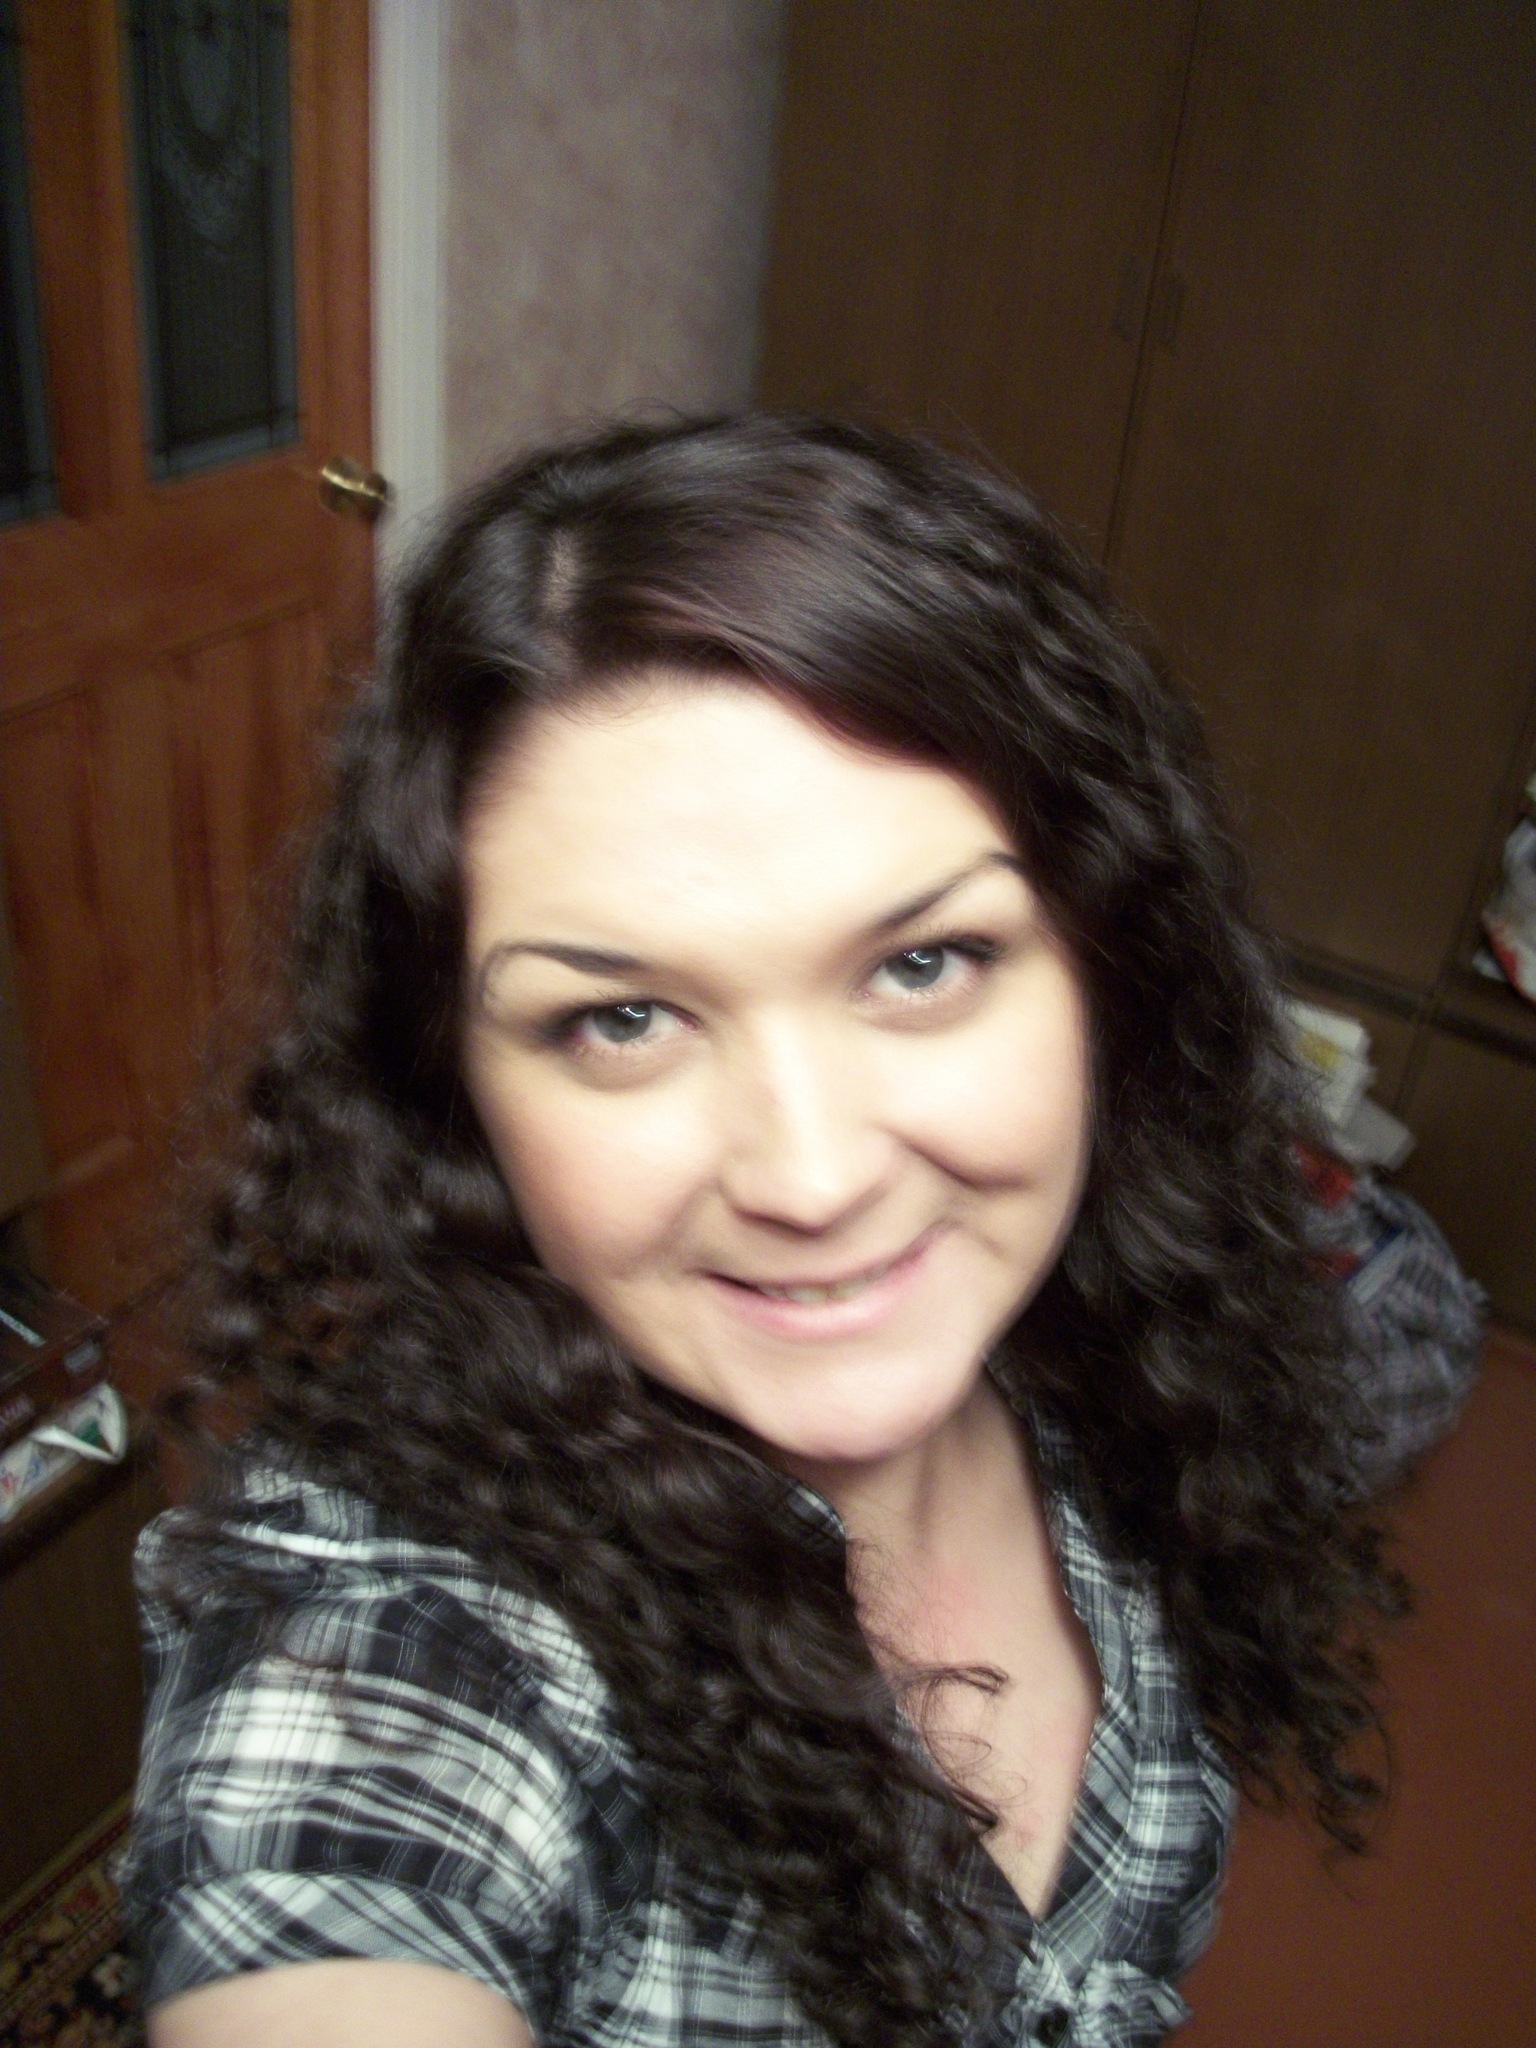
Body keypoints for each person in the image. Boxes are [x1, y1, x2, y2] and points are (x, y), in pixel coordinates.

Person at [123, 415, 1402, 2048]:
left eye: (922, 965)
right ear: (460, 1094)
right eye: (623, 1019)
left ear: (1102, 969)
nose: (811, 1179)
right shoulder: (391, 1655)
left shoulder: (1105, 1348)